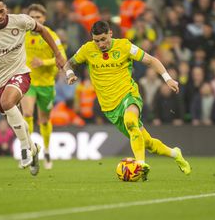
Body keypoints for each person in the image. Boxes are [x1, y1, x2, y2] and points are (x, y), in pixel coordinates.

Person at [63, 21, 191, 181]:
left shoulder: (124, 46)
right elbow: (68, 64)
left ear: (110, 33)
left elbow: (151, 60)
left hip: (128, 95)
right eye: (96, 40)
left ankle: (140, 164)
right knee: (148, 143)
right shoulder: (87, 49)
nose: (100, 44)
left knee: (131, 122)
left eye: (103, 39)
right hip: (110, 107)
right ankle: (175, 153)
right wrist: (69, 74)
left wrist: (168, 79)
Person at [0, 0, 66, 176]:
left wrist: (57, 54)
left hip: (20, 74)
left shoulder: (21, 21)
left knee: (10, 103)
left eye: (2, 11)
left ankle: (25, 147)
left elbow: (43, 30)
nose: (0, 16)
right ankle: (34, 148)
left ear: (6, 8)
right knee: (13, 114)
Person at [21, 4, 67, 169]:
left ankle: (46, 150)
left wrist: (43, 62)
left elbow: (62, 59)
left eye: (38, 17)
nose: (34, 20)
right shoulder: (23, 34)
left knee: (44, 120)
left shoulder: (51, 36)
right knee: (26, 113)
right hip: (29, 82)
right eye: (32, 17)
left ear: (44, 19)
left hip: (47, 84)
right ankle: (29, 149)